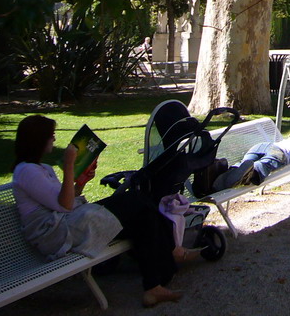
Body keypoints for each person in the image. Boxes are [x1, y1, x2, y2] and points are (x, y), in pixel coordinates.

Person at [12, 115, 197, 308]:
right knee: (135, 201)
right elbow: (64, 205)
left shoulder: (42, 168)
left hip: (67, 221)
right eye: (51, 135)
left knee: (142, 214)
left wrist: (81, 181)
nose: (54, 139)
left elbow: (65, 199)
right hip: (55, 233)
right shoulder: (26, 171)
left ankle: (153, 287)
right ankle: (171, 252)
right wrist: (68, 166)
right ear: (38, 139)